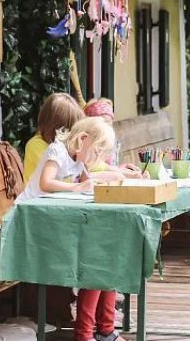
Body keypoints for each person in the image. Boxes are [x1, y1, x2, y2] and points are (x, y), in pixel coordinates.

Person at [16, 117, 126, 341]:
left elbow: (89, 180)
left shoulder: (78, 157)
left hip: (51, 220)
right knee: (96, 259)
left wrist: (114, 177)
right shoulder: (57, 151)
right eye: (96, 152)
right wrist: (77, 186)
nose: (96, 159)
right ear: (83, 139)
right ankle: (86, 334)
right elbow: (46, 183)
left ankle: (106, 329)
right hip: (28, 224)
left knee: (106, 256)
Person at [23, 93, 85, 183]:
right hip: (38, 196)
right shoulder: (35, 145)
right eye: (72, 129)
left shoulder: (62, 147)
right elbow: (61, 177)